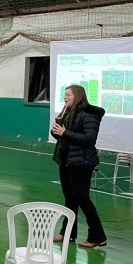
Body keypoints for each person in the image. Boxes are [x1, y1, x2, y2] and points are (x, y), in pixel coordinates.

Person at [50, 84, 107, 248]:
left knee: (81, 197)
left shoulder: (89, 114)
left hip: (82, 162)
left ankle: (97, 236)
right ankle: (68, 233)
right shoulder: (67, 112)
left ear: (77, 96)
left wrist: (65, 133)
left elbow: (89, 138)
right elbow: (61, 135)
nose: (64, 97)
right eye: (64, 94)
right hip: (66, 159)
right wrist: (57, 131)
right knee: (70, 198)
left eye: (68, 94)